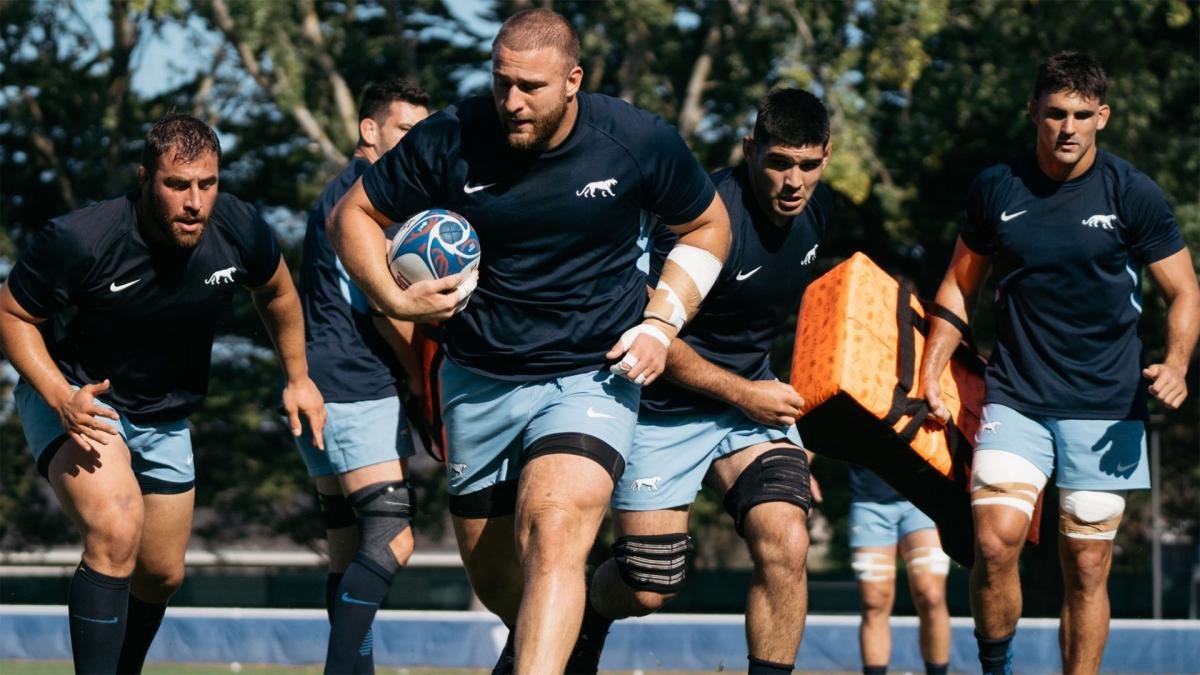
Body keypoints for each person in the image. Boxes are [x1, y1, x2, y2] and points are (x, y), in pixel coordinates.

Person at [327, 9, 731, 673]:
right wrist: (397, 299)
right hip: (478, 379)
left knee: (554, 532)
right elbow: (357, 216)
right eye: (500, 81)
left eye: (530, 87)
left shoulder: (634, 140)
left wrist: (662, 320)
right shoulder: (451, 136)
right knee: (497, 583)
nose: (511, 101)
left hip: (589, 375)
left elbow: (707, 225)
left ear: (573, 80)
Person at [0, 113, 327, 674]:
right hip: (81, 399)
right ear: (146, 177)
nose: (196, 201)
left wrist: (298, 377)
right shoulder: (82, 238)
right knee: (115, 529)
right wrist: (58, 394)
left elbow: (276, 292)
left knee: (162, 574)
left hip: (166, 413)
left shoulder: (240, 228)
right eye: (178, 185)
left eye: (208, 183)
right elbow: (10, 312)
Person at [919, 51, 1200, 674]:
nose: (1066, 128)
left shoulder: (1133, 193)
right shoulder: (998, 186)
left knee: (1087, 567)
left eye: (1080, 114)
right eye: (1054, 114)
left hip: (1106, 408)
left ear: (1102, 116)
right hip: (1016, 394)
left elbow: (1183, 290)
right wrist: (931, 368)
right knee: (993, 544)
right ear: (1034, 113)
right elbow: (959, 286)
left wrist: (1177, 363)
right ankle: (997, 669)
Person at [574, 88, 832, 675]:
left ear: (826, 157)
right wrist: (748, 394)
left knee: (786, 540)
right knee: (648, 585)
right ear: (750, 150)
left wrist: (808, 411)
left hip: (750, 409)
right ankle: (585, 609)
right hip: (660, 410)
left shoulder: (821, 212)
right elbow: (649, 330)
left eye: (809, 165)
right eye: (779, 163)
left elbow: (810, 316)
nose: (794, 181)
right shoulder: (702, 214)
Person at [291, 79, 431, 673]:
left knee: (348, 554)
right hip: (354, 386)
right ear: (368, 131)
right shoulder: (361, 200)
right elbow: (385, 307)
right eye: (404, 131)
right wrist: (426, 384)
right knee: (392, 536)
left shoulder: (337, 194)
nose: (415, 146)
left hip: (321, 385)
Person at [847, 466, 950, 675]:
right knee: (874, 601)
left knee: (931, 595)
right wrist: (803, 468)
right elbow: (810, 434)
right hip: (869, 503)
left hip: (925, 500)